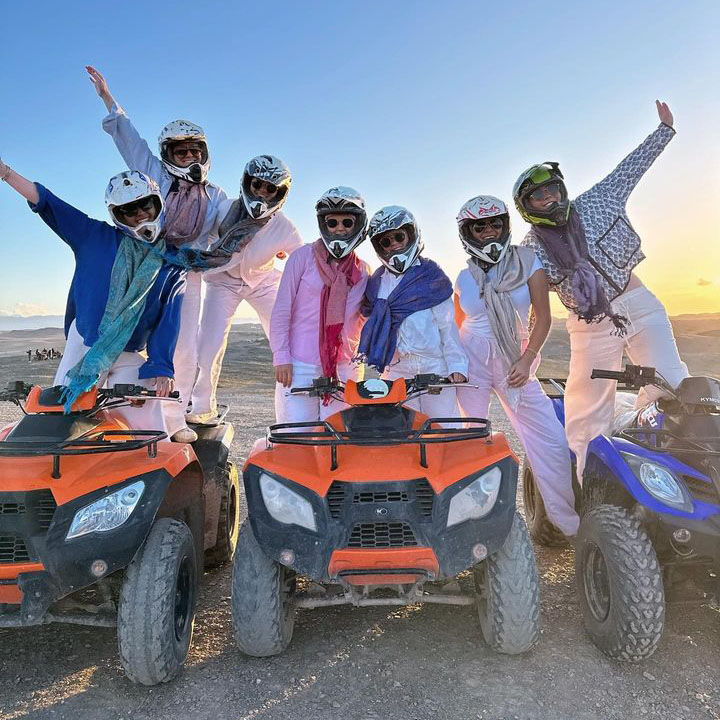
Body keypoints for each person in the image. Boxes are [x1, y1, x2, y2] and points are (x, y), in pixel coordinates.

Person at [513, 100, 689, 479]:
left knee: (673, 387)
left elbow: (629, 170)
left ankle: (665, 470)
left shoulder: (596, 201)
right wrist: (524, 352)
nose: (550, 200)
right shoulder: (531, 249)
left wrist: (664, 131)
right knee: (585, 413)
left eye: (553, 191)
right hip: (589, 325)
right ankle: (586, 486)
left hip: (638, 303)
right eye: (539, 197)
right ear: (527, 207)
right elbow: (532, 304)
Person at [86, 66, 227, 442]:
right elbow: (128, 138)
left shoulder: (214, 195)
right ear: (168, 154)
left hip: (185, 273)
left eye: (196, 150)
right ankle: (89, 402)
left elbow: (234, 224)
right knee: (115, 332)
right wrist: (107, 96)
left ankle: (174, 419)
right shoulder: (154, 175)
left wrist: (269, 244)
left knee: (183, 349)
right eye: (182, 151)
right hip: (140, 263)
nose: (190, 156)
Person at [0, 158, 185, 434]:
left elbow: (168, 318)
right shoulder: (91, 236)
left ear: (158, 203)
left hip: (128, 352)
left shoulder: (171, 263)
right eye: (128, 210)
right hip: (84, 346)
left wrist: (161, 364)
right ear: (116, 215)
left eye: (146, 205)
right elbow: (48, 202)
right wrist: (6, 173)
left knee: (148, 429)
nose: (140, 216)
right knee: (61, 418)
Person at [453, 195, 578, 536]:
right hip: (471, 360)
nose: (490, 231)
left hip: (515, 360)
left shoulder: (528, 261)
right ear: (469, 231)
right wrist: (455, 364)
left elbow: (544, 317)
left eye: (496, 223)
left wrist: (528, 358)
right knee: (472, 438)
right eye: (481, 226)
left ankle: (568, 524)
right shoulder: (464, 277)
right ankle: (472, 526)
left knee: (549, 440)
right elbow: (456, 323)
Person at [186, 155, 303, 424]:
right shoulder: (223, 210)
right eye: (257, 185)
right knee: (209, 345)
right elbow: (199, 238)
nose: (262, 193)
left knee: (287, 343)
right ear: (246, 183)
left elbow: (303, 263)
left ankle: (293, 411)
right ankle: (202, 409)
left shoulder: (285, 227)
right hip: (222, 281)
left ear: (281, 193)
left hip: (263, 282)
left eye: (271, 188)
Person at [357, 206, 467, 421]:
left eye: (399, 236)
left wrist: (457, 366)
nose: (394, 244)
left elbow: (447, 327)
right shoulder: (376, 284)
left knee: (446, 428)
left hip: (434, 366)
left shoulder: (431, 277)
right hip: (397, 368)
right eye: (386, 241)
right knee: (402, 430)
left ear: (411, 234)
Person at [270, 187, 370, 425]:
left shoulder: (363, 270)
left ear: (358, 224)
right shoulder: (302, 258)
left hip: (345, 366)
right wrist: (281, 356)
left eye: (347, 222)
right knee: (295, 433)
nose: (339, 228)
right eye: (332, 222)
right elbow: (282, 308)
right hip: (299, 363)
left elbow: (363, 318)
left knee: (339, 436)